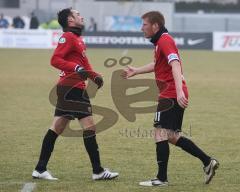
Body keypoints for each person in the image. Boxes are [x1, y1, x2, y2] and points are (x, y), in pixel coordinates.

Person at [122, 11, 219, 186]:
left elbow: (175, 64)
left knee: (160, 132)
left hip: (171, 93)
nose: (141, 28)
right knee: (172, 136)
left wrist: (180, 92)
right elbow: (158, 64)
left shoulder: (165, 40)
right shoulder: (160, 42)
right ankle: (207, 161)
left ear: (155, 26)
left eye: (144, 24)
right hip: (172, 93)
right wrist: (136, 71)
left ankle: (161, 178)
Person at [32, 8, 119, 181]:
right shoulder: (68, 37)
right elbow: (55, 60)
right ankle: (98, 171)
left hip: (73, 88)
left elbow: (84, 64)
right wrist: (75, 68)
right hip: (72, 89)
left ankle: (40, 169)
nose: (82, 16)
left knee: (57, 127)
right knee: (89, 127)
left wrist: (94, 76)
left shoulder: (78, 39)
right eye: (78, 14)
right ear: (70, 20)